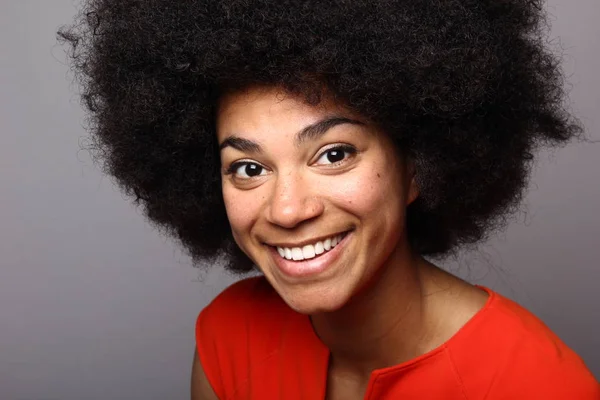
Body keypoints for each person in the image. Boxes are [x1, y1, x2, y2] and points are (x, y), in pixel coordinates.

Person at [59, 0, 599, 398]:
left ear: (416, 166)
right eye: (249, 168)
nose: (288, 210)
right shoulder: (229, 336)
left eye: (334, 154)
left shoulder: (535, 383)